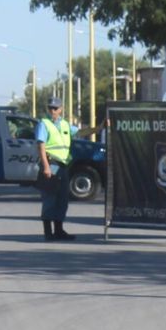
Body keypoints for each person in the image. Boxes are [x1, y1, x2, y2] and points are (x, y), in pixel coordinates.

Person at [35, 97, 103, 241]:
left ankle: (59, 230)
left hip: (63, 166)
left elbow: (80, 133)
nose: (52, 111)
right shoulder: (44, 124)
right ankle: (48, 232)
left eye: (55, 108)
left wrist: (99, 128)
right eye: (50, 108)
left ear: (60, 109)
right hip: (51, 164)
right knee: (50, 198)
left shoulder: (65, 125)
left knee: (62, 199)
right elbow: (41, 147)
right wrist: (46, 166)